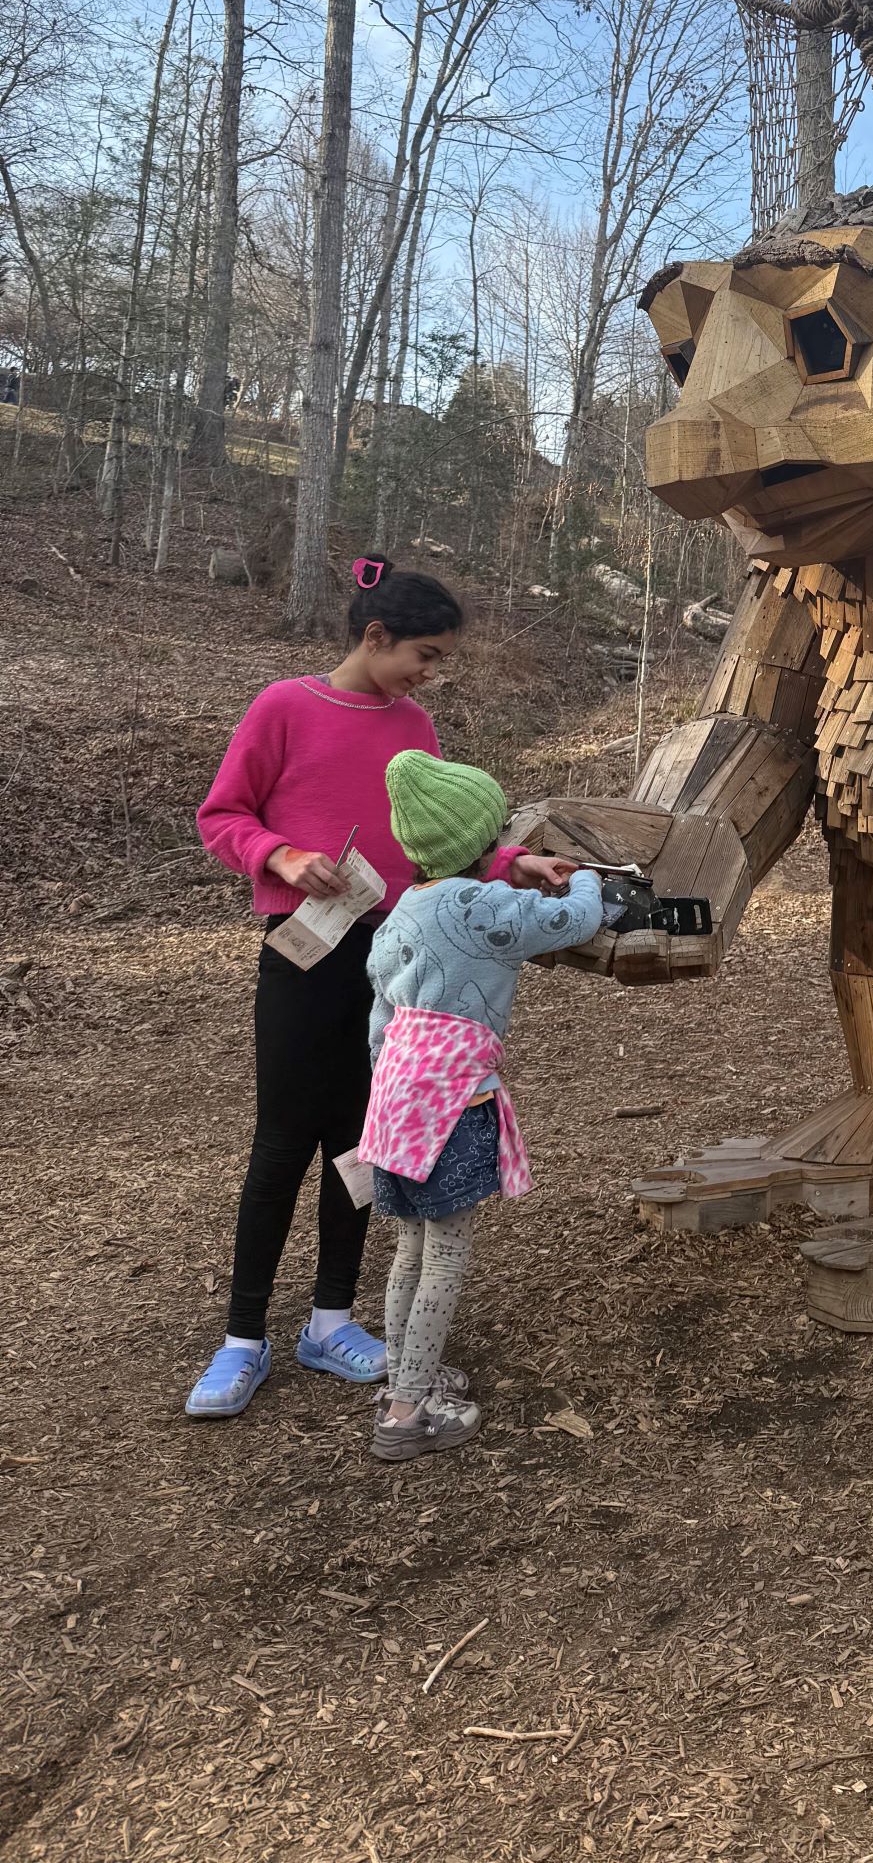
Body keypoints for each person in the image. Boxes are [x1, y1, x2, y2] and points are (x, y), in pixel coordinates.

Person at [187, 557, 576, 1419]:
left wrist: (515, 864)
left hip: (397, 969)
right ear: (375, 635)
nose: (430, 674)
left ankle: (331, 1320)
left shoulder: (416, 728)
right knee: (283, 1138)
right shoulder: (284, 707)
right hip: (303, 957)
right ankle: (241, 1338)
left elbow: (441, 849)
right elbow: (223, 816)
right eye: (425, 655)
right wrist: (281, 855)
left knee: (365, 1144)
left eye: (437, 661)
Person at [360, 750, 618, 1461]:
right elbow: (573, 920)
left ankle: (405, 1371)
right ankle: (409, 1414)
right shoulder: (483, 907)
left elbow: (380, 1022)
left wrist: (512, 865)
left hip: (395, 1100)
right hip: (453, 1103)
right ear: (481, 842)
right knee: (447, 1252)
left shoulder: (401, 913)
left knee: (408, 1247)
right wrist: (588, 875)